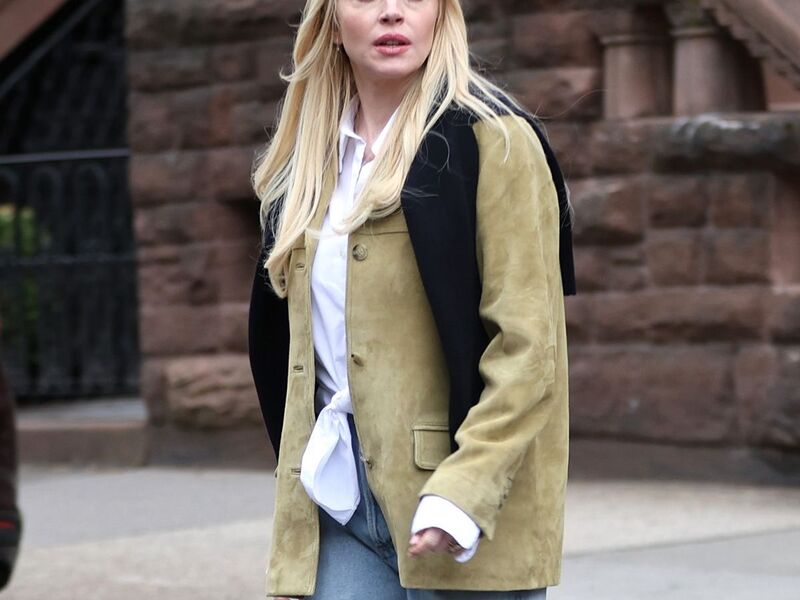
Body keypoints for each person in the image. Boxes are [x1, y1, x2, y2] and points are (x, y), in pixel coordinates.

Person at [248, 0, 577, 598]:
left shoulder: (495, 141)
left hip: (459, 505)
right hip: (339, 501)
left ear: (442, 14)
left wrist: (465, 488)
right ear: (331, 21)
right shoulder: (306, 166)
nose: (393, 12)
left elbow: (530, 351)